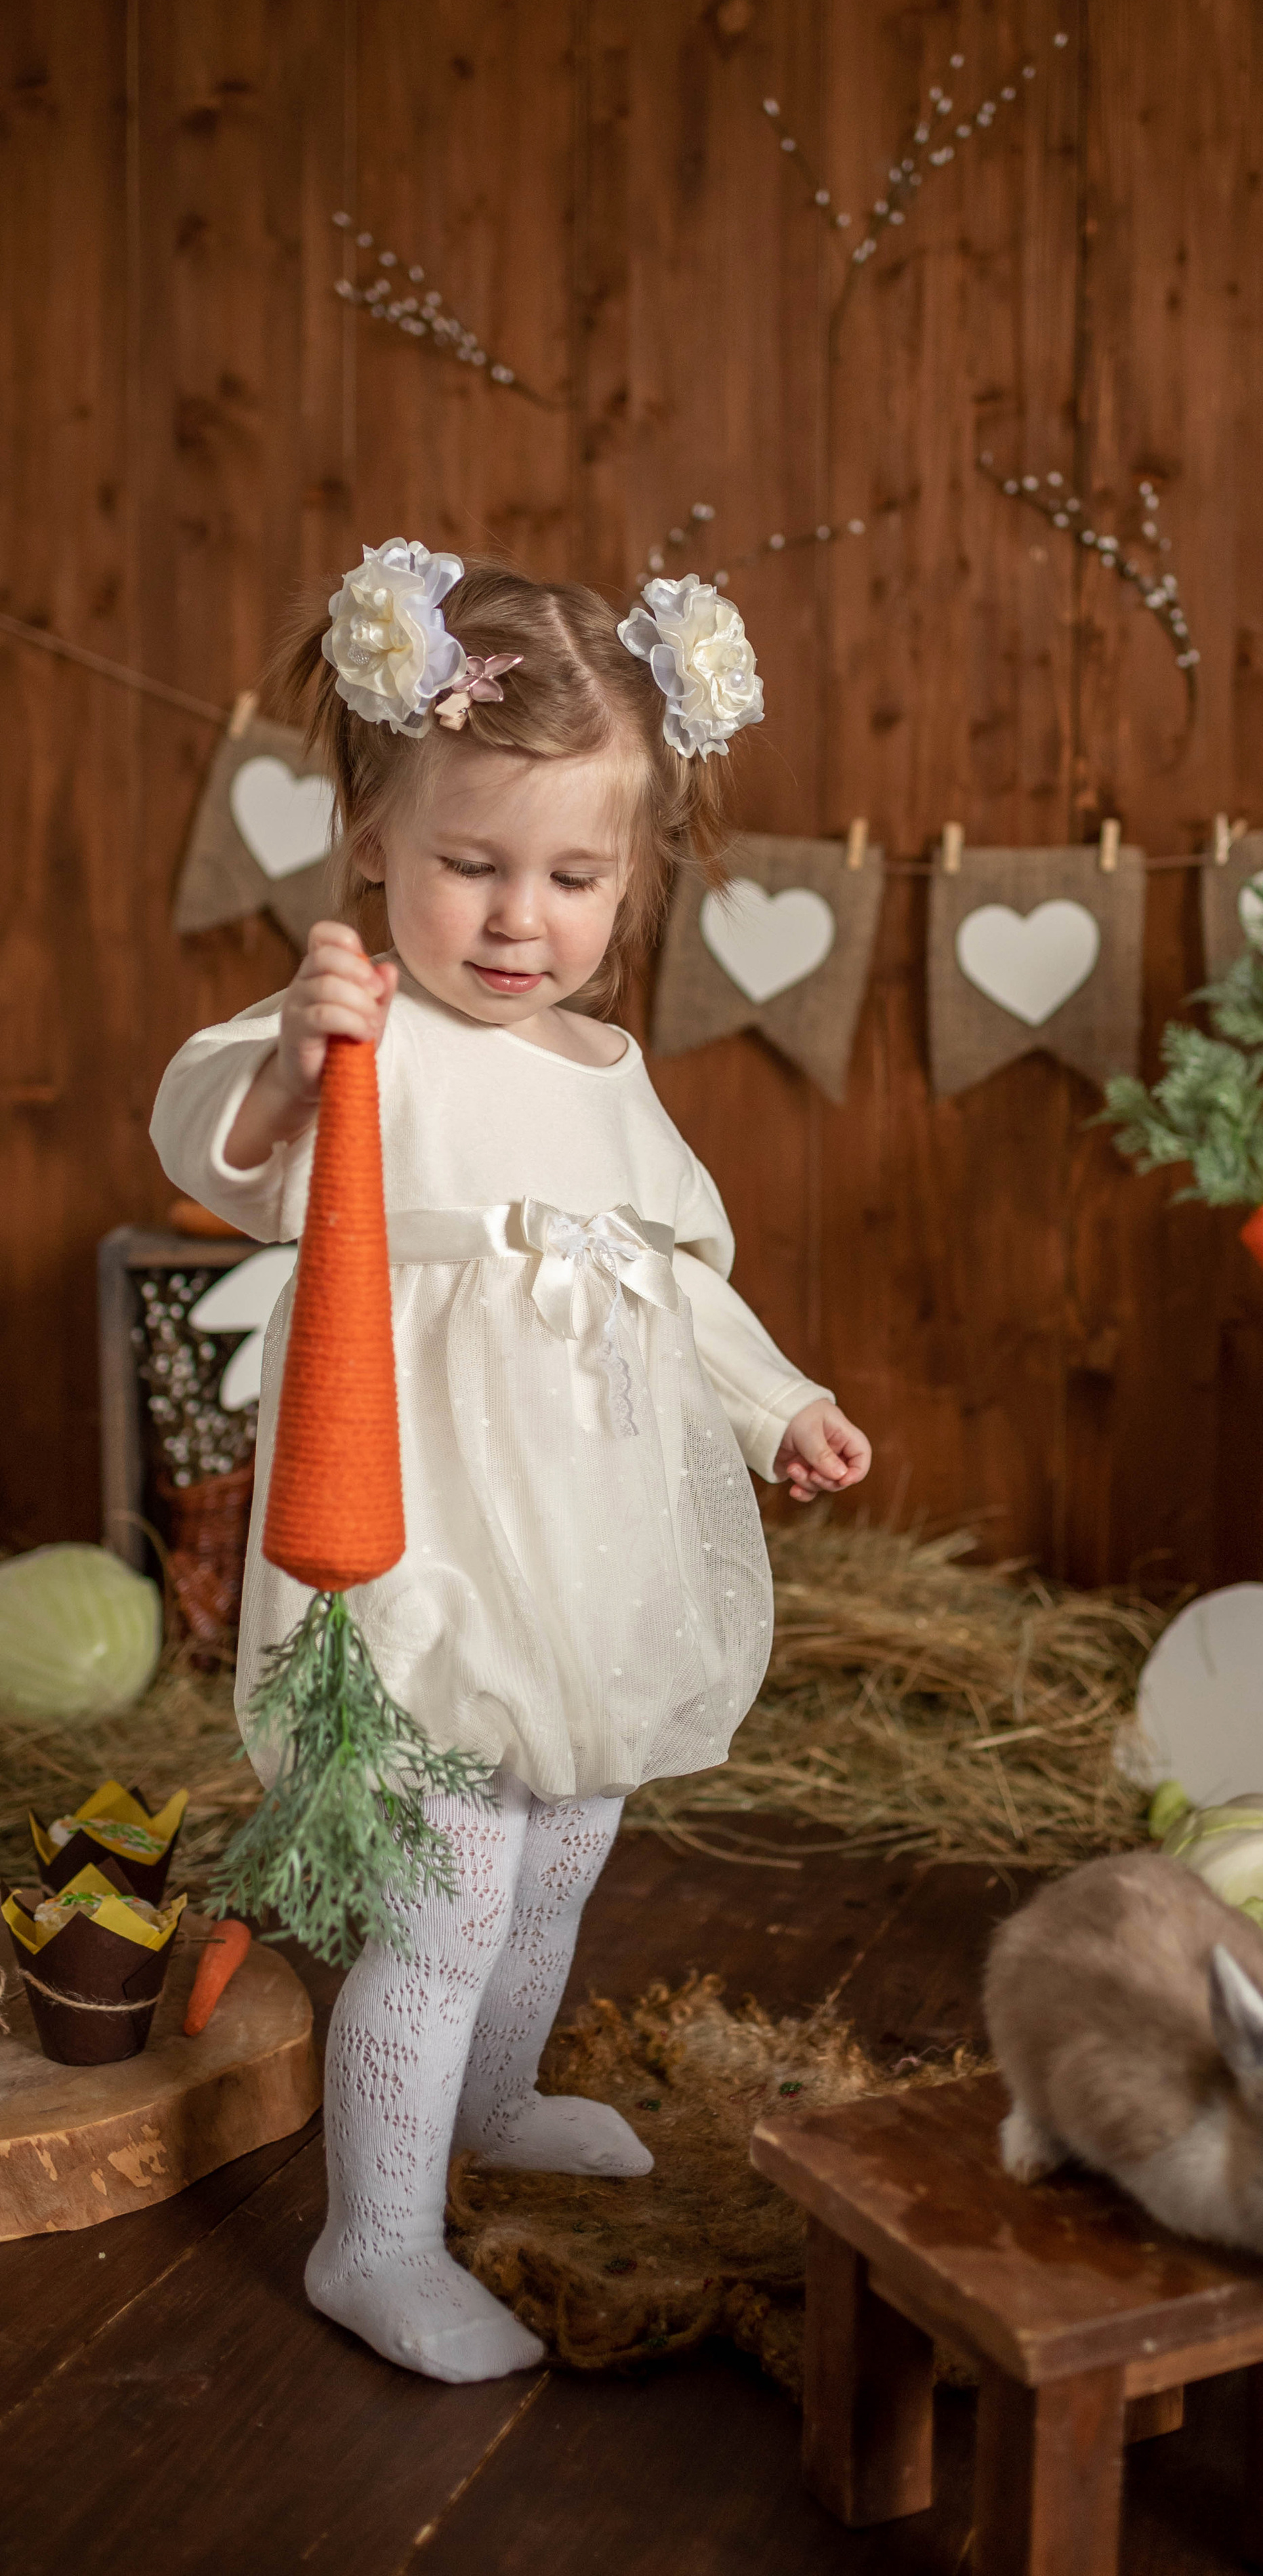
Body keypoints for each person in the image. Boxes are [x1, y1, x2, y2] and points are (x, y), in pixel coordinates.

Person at [151, 540, 871, 2383]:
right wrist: (298, 1066)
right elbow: (224, 1153)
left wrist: (777, 1398)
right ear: (374, 835)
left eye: (575, 873)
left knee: (558, 1865)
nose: (517, 914)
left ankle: (492, 2103)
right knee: (442, 1893)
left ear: (634, 876)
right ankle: (373, 2239)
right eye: (471, 862)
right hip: (422, 1558)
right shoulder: (362, 1035)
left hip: (593, 1568)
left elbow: (676, 1284)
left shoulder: (610, 1071)